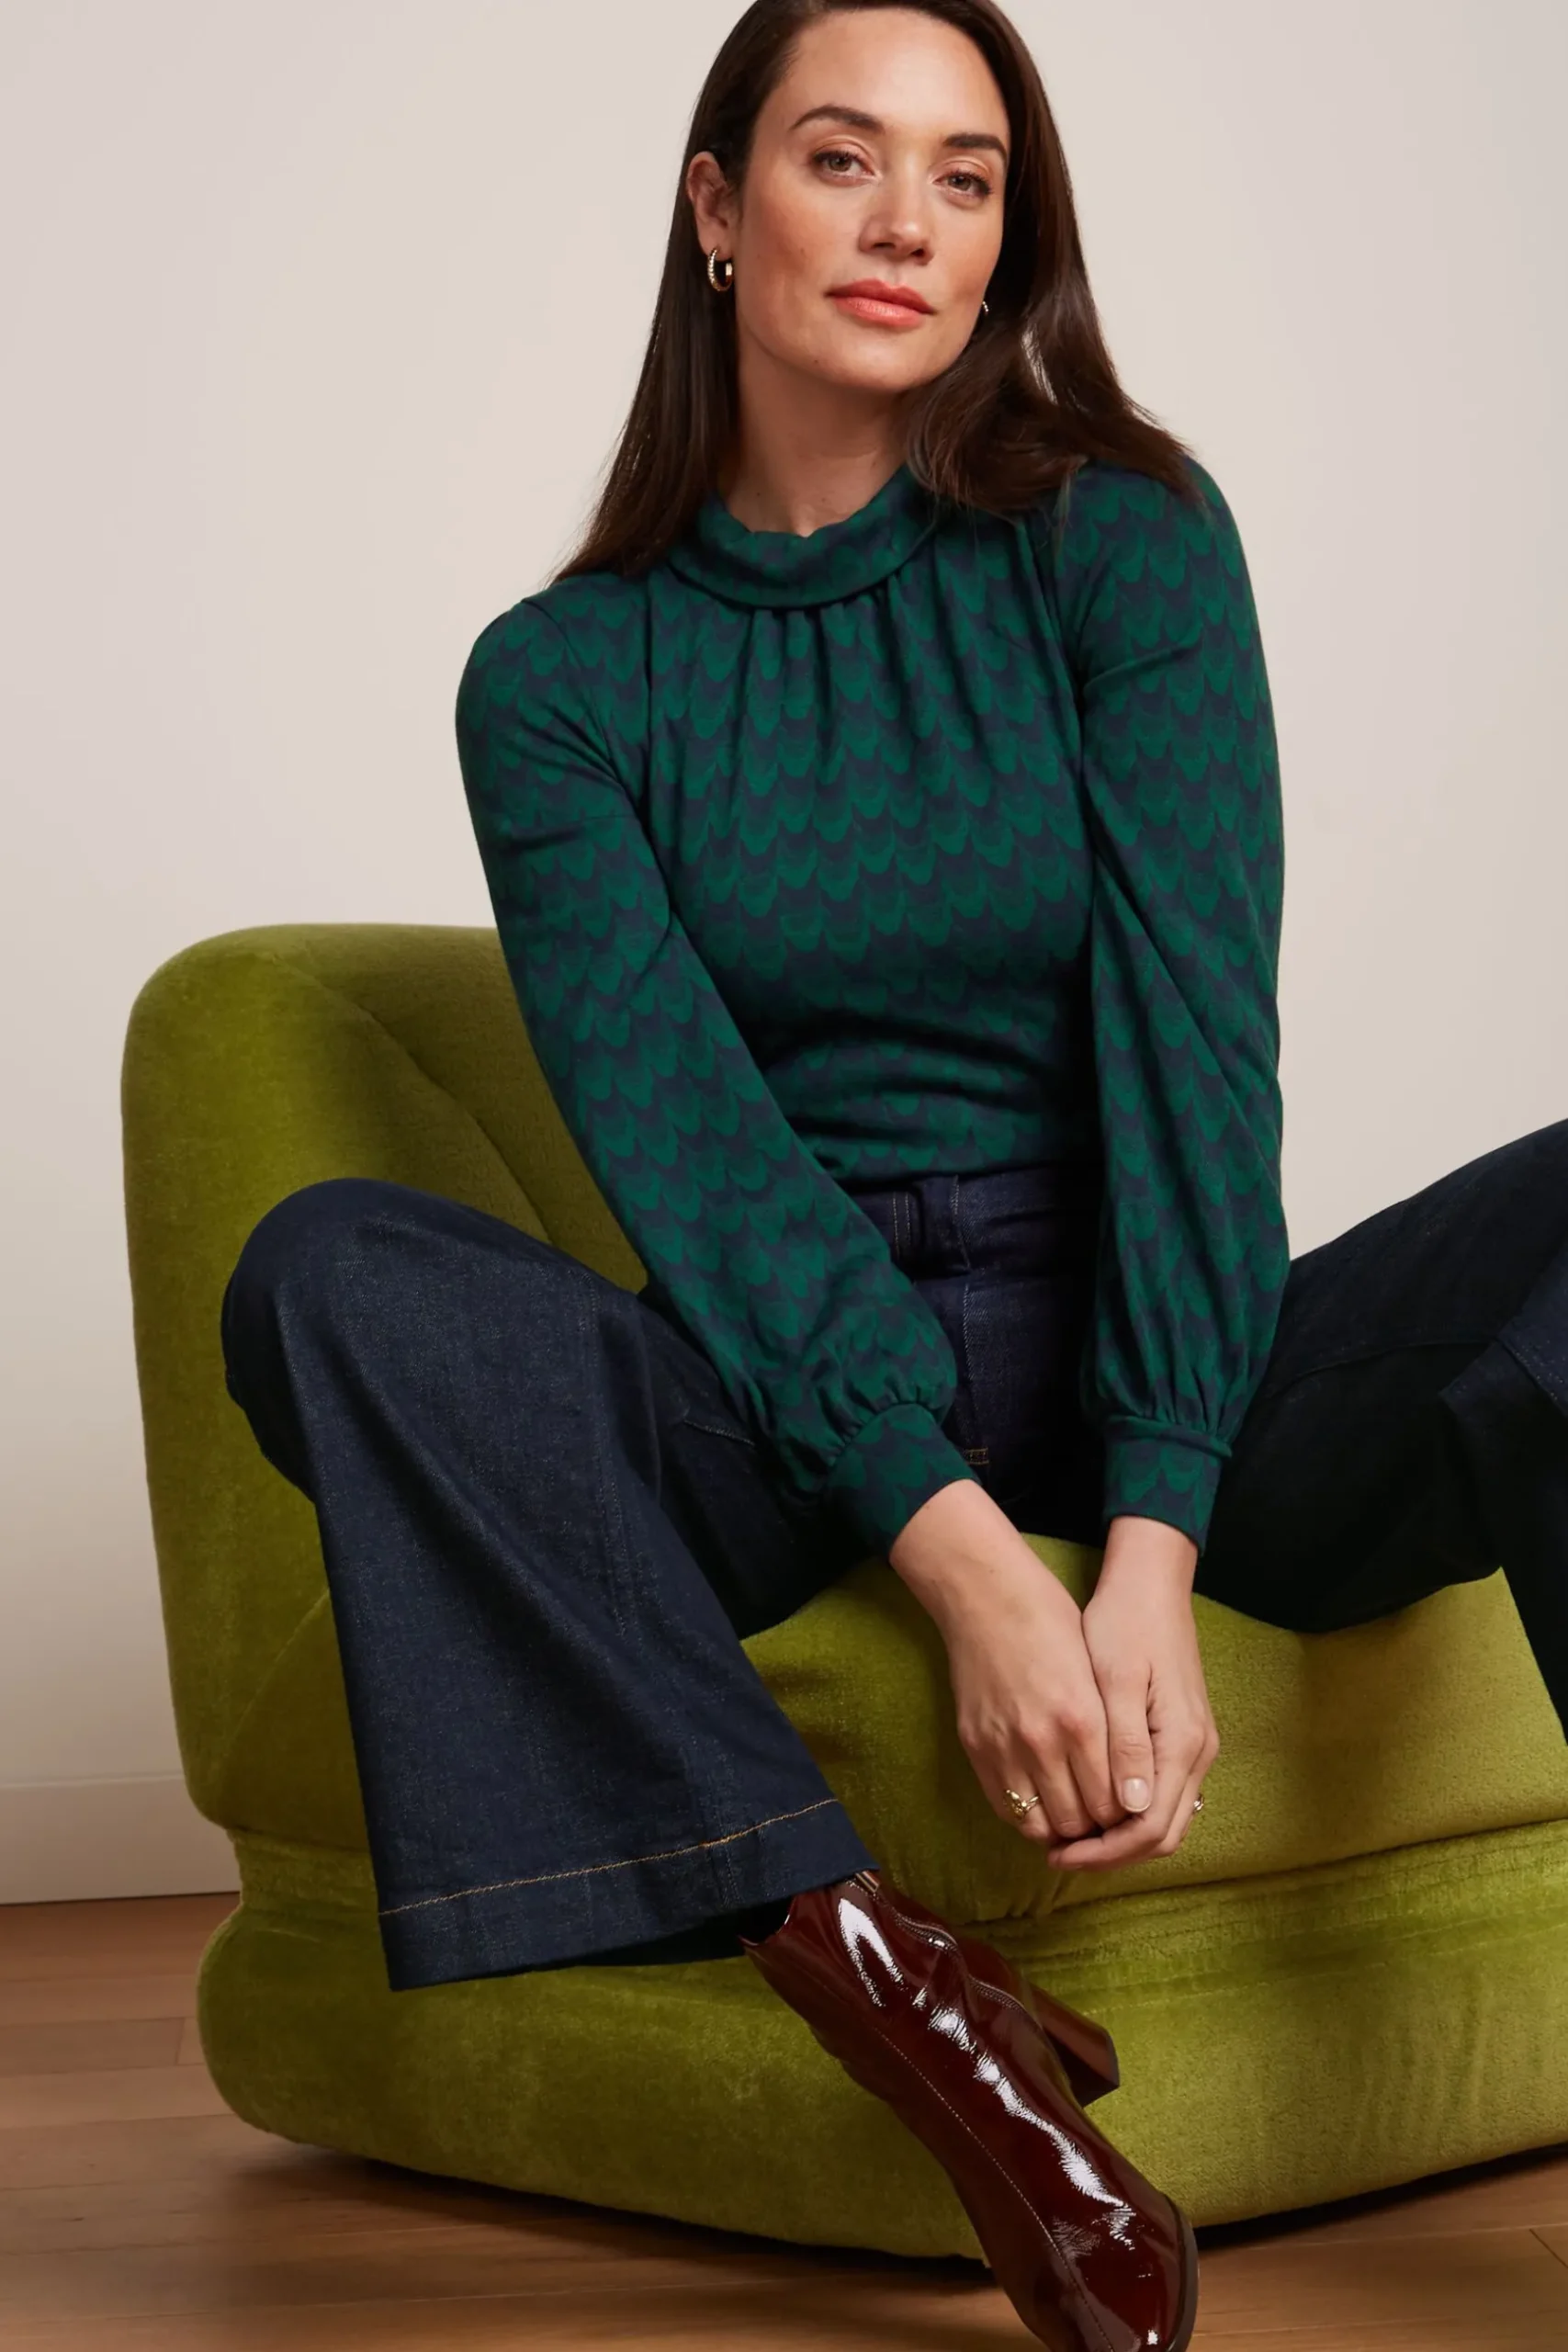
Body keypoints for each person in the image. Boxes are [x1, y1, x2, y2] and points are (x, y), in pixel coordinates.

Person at [217, 5, 1568, 2348]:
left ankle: (923, 1947)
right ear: (716, 205)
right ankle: (917, 2015)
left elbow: (1194, 1052)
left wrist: (1148, 1538)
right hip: (789, 1394)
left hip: (1152, 1337)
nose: (906, 222)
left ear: (1007, 237)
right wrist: (965, 1574)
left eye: (966, 176)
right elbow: (696, 1155)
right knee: (326, 1271)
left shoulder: (1118, 541)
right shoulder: (561, 680)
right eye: (842, 158)